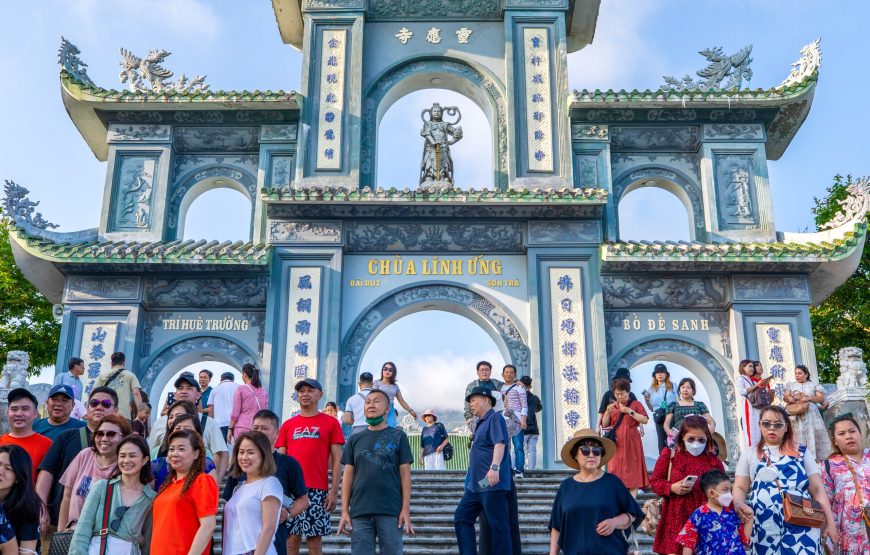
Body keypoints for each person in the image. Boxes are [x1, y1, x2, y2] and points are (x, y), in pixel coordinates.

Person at [733, 405, 838, 555]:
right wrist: (738, 504)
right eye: (766, 424)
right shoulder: (750, 454)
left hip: (802, 523)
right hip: (763, 525)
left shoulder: (801, 451)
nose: (772, 428)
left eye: (778, 425)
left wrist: (830, 523)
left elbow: (817, 490)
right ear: (760, 425)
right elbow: (740, 488)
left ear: (786, 427)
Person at [36, 386, 118, 541]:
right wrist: (41, 507)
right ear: (87, 408)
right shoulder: (67, 436)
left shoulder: (123, 442)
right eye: (94, 403)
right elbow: (47, 471)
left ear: (116, 410)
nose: (99, 407)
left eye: (106, 403)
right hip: (61, 522)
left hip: (104, 531)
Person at [338, 389, 414, 555]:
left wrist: (405, 509)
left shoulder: (399, 436)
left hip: (390, 509)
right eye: (367, 402)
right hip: (360, 510)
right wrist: (344, 510)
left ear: (388, 409)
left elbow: (405, 474)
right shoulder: (355, 439)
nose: (371, 404)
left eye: (377, 401)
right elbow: (348, 476)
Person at [224, 410, 309, 555]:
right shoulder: (239, 470)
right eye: (256, 428)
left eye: (264, 428)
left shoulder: (286, 465)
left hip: (268, 544)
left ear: (276, 433)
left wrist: (287, 515)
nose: (259, 432)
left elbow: (303, 500)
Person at [276, 379, 345, 555]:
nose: (305, 394)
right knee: (290, 541)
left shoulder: (331, 423)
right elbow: (281, 462)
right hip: (291, 491)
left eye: (310, 390)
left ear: (320, 395)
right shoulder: (288, 425)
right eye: (301, 391)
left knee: (314, 542)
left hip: (317, 490)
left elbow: (338, 459)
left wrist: (333, 491)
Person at [548, 429, 643, 555]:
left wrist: (614, 522)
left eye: (597, 451)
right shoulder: (566, 487)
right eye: (585, 450)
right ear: (575, 454)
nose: (591, 455)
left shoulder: (613, 483)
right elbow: (556, 525)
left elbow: (633, 514)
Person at [650, 415, 725, 555]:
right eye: (691, 439)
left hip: (706, 521)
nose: (696, 443)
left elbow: (724, 489)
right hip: (676, 519)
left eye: (701, 439)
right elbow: (654, 482)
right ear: (682, 437)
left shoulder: (713, 461)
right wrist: (671, 487)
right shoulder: (670, 455)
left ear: (707, 439)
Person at [69, 435, 155, 555]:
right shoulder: (101, 487)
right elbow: (83, 529)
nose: (126, 460)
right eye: (122, 456)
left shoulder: (151, 498)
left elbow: (147, 541)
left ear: (145, 460)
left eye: (132, 455)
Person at [454, 386, 513, 554]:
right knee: (461, 517)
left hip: (491, 481)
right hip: (477, 485)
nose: (470, 404)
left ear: (486, 400)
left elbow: (500, 443)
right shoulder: (480, 423)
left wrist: (494, 468)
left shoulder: (495, 418)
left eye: (473, 400)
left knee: (499, 526)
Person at [149, 371, 229, 483]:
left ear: (198, 395)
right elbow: (151, 452)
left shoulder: (209, 423)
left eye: (189, 388)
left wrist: (216, 481)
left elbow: (222, 452)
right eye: (180, 388)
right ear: (175, 394)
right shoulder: (160, 423)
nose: (184, 392)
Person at [150, 429, 218, 555]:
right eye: (171, 449)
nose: (174, 454)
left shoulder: (202, 481)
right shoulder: (167, 486)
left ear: (196, 453)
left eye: (181, 449)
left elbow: (208, 526)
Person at [57, 414, 130, 530]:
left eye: (111, 434)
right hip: (72, 533)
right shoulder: (85, 455)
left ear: (124, 438)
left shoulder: (126, 466)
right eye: (100, 434)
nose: (104, 439)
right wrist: (60, 532)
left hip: (102, 540)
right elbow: (67, 496)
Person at [223, 431, 283, 555]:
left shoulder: (270, 483)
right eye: (241, 452)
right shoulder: (239, 488)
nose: (244, 457)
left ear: (263, 454)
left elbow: (269, 527)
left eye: (250, 452)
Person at [822, 414, 870, 555]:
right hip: (849, 536)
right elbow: (826, 502)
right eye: (842, 434)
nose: (848, 436)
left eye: (852, 431)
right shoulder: (829, 466)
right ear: (835, 441)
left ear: (860, 433)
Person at [675, 469, 751, 555]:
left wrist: (750, 518)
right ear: (711, 493)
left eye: (730, 490)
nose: (729, 494)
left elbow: (744, 538)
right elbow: (688, 542)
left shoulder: (732, 513)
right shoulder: (699, 515)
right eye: (725, 490)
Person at [601, 377, 649, 496]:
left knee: (634, 473)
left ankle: (632, 505)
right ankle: (618, 503)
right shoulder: (613, 406)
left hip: (632, 440)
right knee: (615, 470)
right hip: (616, 442)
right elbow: (605, 424)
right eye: (616, 394)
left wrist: (629, 411)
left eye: (621, 394)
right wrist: (607, 412)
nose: (619, 397)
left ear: (628, 392)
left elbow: (645, 420)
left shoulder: (636, 404)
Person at [152, 411, 217, 491]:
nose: (181, 432)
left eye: (187, 429)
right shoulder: (156, 465)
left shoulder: (205, 466)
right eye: (177, 428)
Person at [0, 445, 45, 554]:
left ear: (19, 477)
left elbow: (26, 552)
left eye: (8, 468)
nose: (0, 471)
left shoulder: (28, 505)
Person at [0, 388, 52, 477]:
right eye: (14, 409)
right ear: (7, 413)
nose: (19, 413)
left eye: (25, 409)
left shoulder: (47, 445)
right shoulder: (1, 441)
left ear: (35, 413)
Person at [784, 364, 830, 460]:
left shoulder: (813, 384)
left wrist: (808, 398)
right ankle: (800, 458)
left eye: (800, 373)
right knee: (798, 435)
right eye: (796, 373)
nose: (797, 375)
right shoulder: (790, 385)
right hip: (797, 414)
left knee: (814, 433)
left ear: (806, 374)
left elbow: (820, 398)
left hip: (811, 413)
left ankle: (817, 460)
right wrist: (791, 398)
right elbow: (786, 396)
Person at [93, 351, 143, 420]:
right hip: (123, 414)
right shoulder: (130, 375)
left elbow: (94, 393)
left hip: (106, 413)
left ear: (111, 363)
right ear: (124, 362)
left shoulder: (103, 375)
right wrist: (140, 412)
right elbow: (136, 393)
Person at [643, 363, 679, 453]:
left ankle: (676, 462)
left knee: (674, 439)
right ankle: (663, 463)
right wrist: (647, 401)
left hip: (672, 415)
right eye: (657, 372)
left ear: (666, 374)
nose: (660, 374)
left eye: (662, 372)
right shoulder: (651, 389)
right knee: (661, 441)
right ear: (654, 375)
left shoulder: (673, 385)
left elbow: (678, 400)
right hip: (659, 416)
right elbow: (652, 409)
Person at [229, 363, 269, 442]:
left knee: (241, 452)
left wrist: (230, 428)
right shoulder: (263, 391)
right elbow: (265, 412)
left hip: (242, 427)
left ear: (244, 375)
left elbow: (235, 412)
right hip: (258, 428)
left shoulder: (241, 389)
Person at [500, 365, 527, 479]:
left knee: (518, 445)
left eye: (511, 372)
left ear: (515, 375)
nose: (508, 374)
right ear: (502, 374)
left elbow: (524, 405)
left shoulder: (519, 387)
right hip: (503, 420)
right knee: (505, 446)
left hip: (516, 420)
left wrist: (523, 420)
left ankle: (519, 470)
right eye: (506, 372)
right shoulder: (500, 388)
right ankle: (507, 469)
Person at [738, 359, 771, 447]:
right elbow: (742, 391)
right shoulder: (741, 378)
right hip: (748, 407)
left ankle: (759, 451)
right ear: (743, 367)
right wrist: (756, 385)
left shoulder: (751, 380)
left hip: (756, 407)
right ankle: (751, 452)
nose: (752, 369)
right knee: (751, 431)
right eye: (749, 366)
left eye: (752, 367)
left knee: (758, 430)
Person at [373, 362, 417, 427]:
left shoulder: (395, 386)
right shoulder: (376, 383)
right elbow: (372, 397)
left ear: (393, 373)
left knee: (391, 429)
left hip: (390, 409)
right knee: (379, 429)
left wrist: (411, 410)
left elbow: (402, 401)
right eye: (385, 369)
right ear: (382, 370)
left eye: (390, 370)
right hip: (379, 409)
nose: (387, 371)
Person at [463, 361, 505, 427]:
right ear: (477, 372)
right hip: (478, 418)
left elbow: (509, 386)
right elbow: (467, 403)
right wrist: (469, 418)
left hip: (496, 416)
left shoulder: (497, 383)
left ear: (490, 371)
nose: (484, 372)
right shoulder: (472, 386)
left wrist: (517, 382)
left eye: (487, 370)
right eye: (482, 370)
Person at [596, 368, 638, 433]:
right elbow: (601, 411)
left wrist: (640, 426)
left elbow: (637, 412)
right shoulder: (608, 394)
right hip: (610, 430)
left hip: (627, 430)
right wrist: (597, 427)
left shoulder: (631, 395)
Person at [519, 376, 542, 471]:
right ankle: (532, 469)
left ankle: (520, 468)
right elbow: (539, 408)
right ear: (530, 386)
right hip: (534, 428)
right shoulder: (535, 398)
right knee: (532, 450)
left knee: (520, 449)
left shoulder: (518, 398)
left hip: (522, 427)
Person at [207, 372, 239, 436]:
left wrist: (211, 425)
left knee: (221, 445)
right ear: (233, 380)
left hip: (219, 424)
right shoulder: (238, 387)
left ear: (221, 380)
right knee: (236, 445)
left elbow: (210, 410)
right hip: (235, 424)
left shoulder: (214, 389)